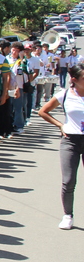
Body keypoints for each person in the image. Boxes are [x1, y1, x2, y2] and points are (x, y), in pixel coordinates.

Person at [39, 61, 84, 230]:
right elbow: (43, 111)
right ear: (74, 79)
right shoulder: (64, 94)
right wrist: (60, 125)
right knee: (69, 180)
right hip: (70, 141)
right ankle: (68, 215)